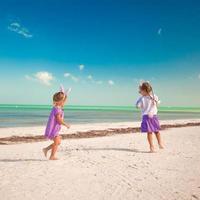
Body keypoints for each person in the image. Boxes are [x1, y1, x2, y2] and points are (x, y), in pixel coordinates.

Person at [43, 86, 71, 160]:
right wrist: (66, 124)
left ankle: (46, 149)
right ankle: (52, 156)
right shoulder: (57, 109)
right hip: (53, 129)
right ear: (60, 101)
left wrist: (65, 95)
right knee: (57, 142)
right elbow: (59, 120)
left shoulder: (56, 107)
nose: (64, 102)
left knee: (58, 142)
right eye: (63, 101)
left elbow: (63, 101)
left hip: (55, 128)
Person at [136, 82, 164, 153]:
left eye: (141, 91)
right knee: (150, 132)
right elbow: (137, 106)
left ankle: (160, 143)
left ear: (145, 90)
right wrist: (138, 104)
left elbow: (157, 103)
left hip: (153, 116)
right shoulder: (142, 98)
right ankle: (152, 147)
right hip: (146, 116)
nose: (139, 92)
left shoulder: (154, 96)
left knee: (156, 131)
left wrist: (156, 102)